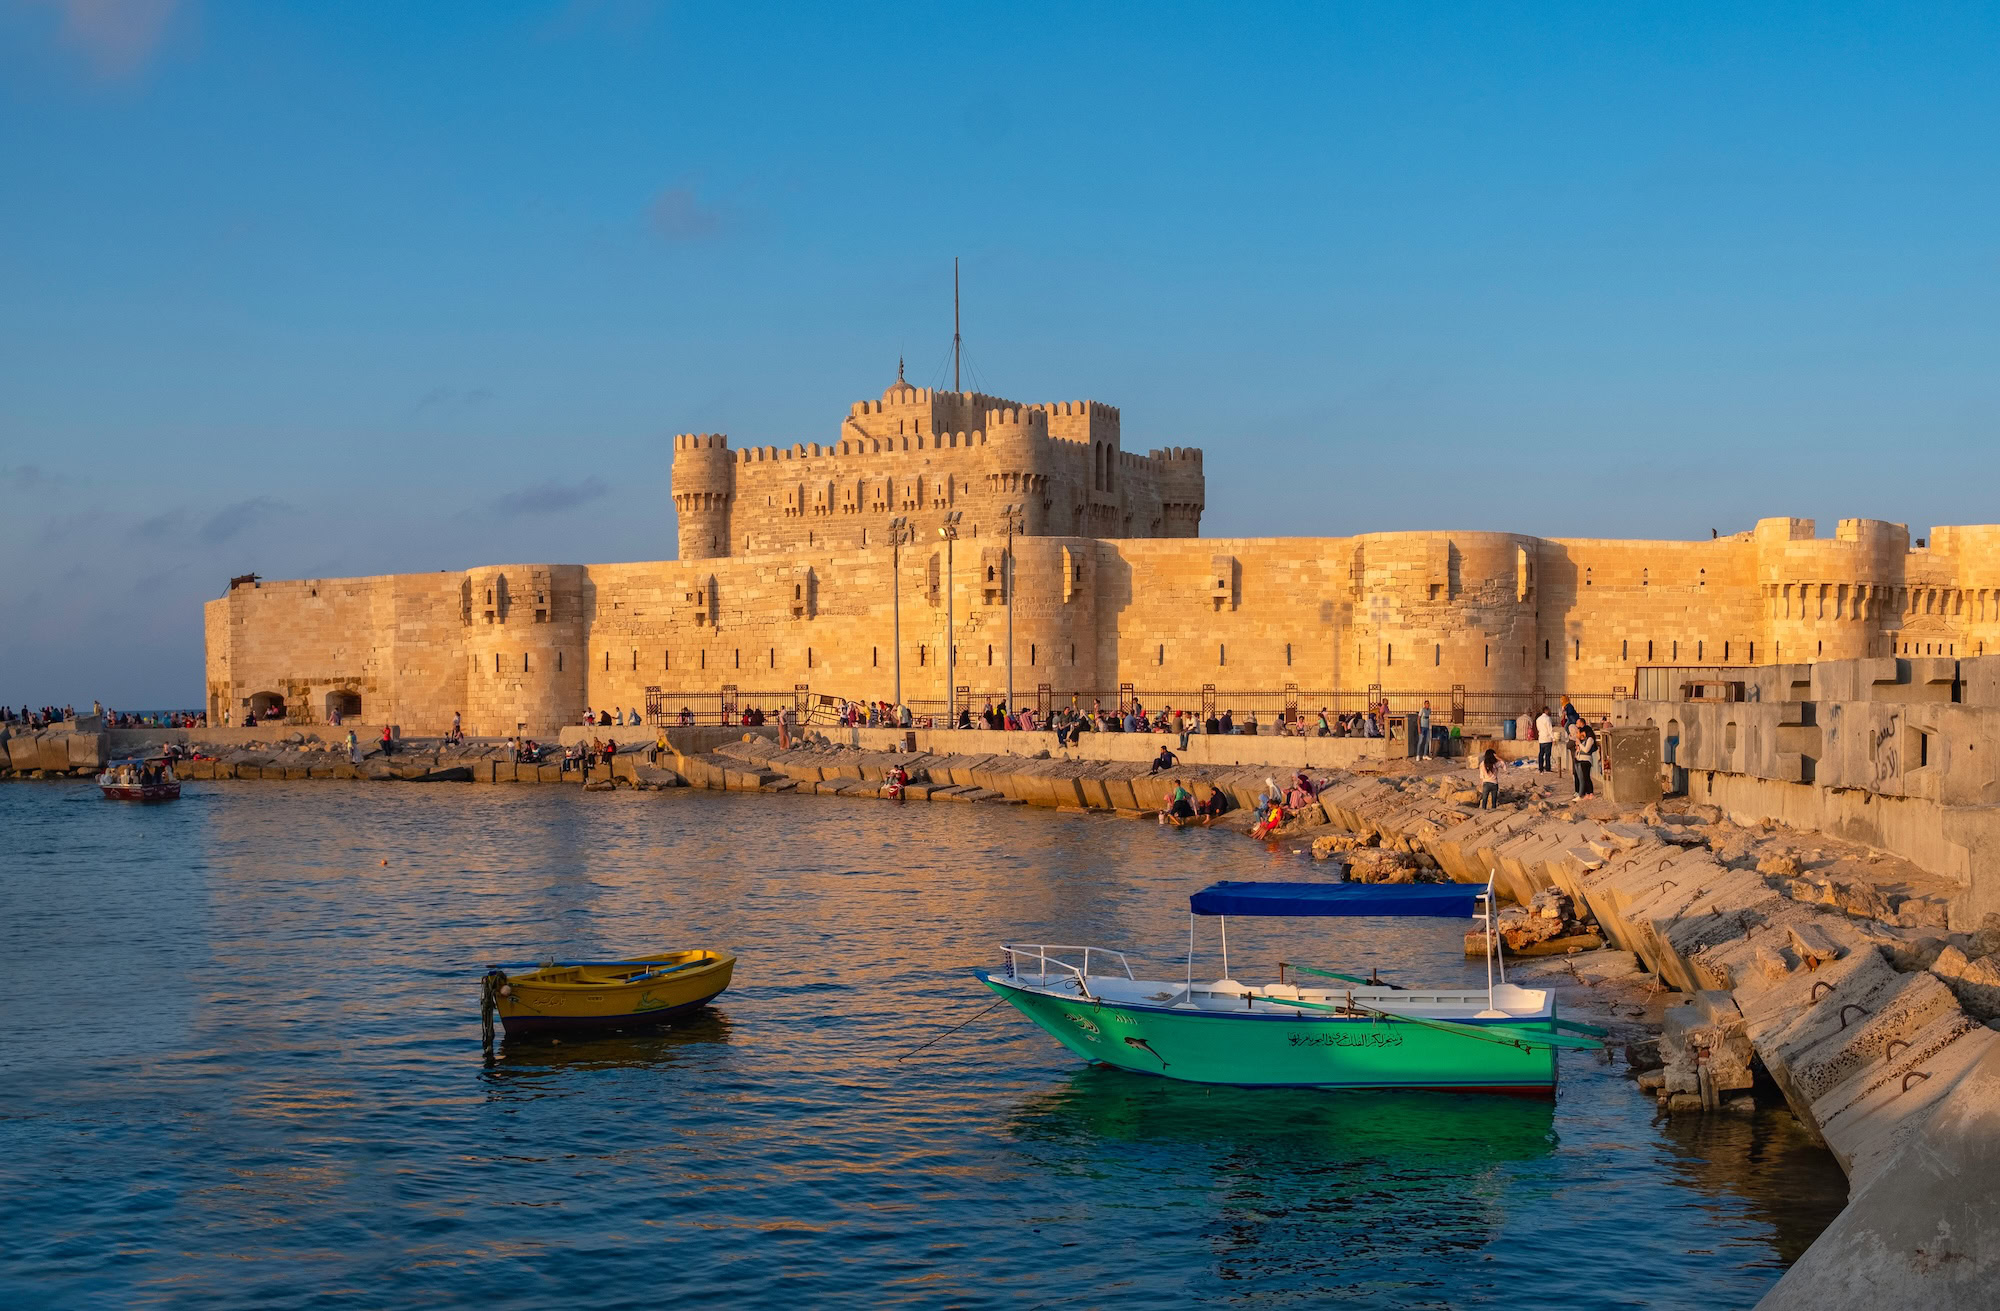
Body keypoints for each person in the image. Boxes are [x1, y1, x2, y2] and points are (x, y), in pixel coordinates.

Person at [1573, 723, 1598, 797]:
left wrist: (1580, 744)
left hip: (1586, 760)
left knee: (1586, 777)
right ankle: (1587, 793)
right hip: (1581, 759)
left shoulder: (1590, 739)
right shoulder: (1585, 739)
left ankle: (1591, 793)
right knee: (1583, 777)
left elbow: (1586, 750)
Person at [1534, 707, 1556, 772]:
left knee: (1541, 753)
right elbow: (1550, 729)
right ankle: (1547, 768)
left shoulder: (1538, 719)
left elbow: (1538, 728)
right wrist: (1553, 738)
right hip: (1547, 738)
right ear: (1546, 711)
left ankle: (1540, 767)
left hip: (1541, 738)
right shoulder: (1548, 718)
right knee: (1547, 754)